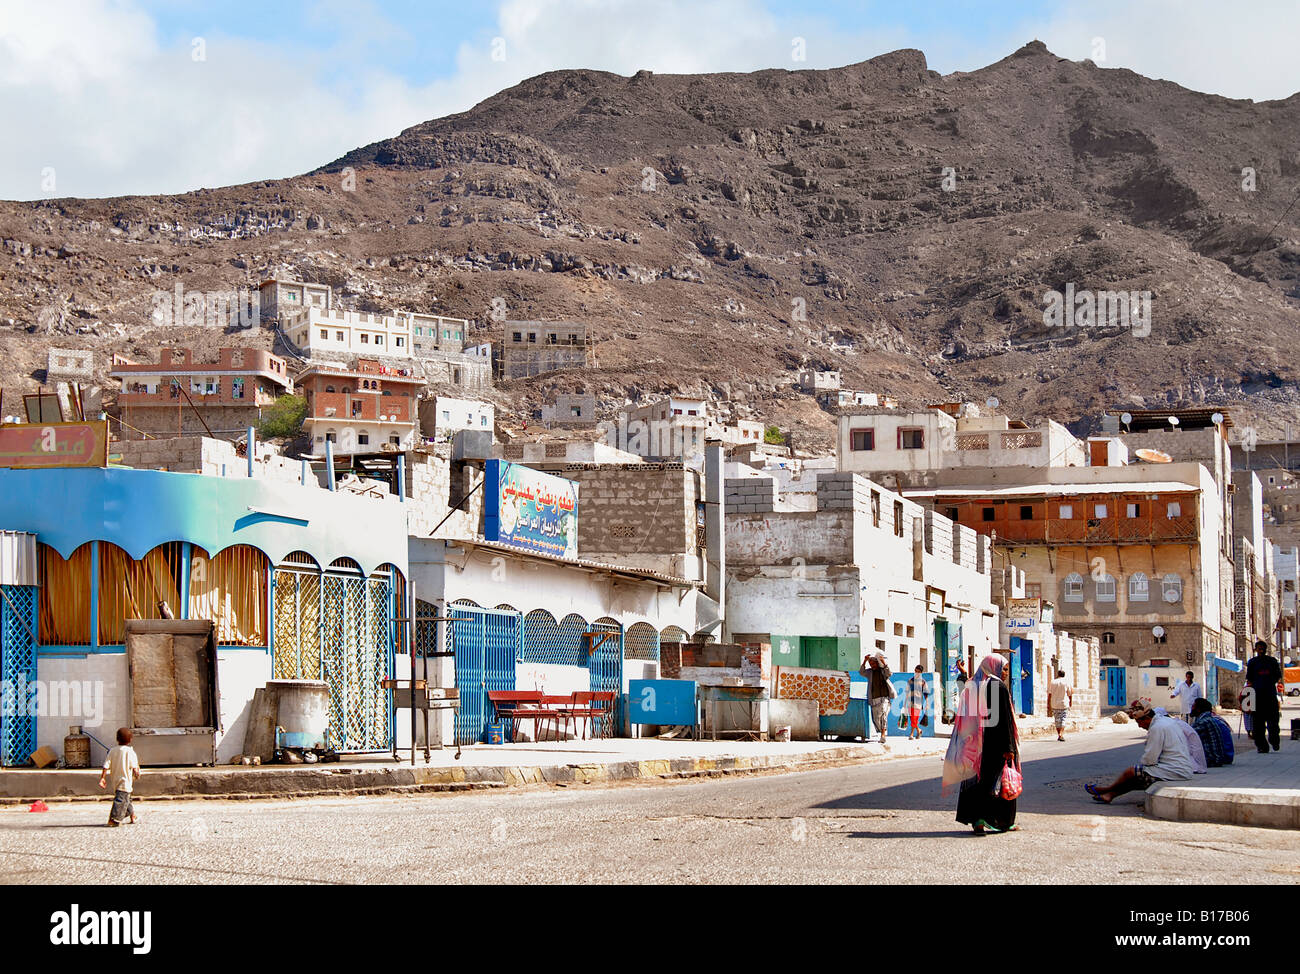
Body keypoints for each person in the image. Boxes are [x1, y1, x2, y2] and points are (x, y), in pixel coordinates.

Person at [944, 654, 1020, 834]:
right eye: (1004, 668)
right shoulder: (997, 687)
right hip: (994, 745)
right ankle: (1002, 821)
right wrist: (1009, 748)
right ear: (993, 667)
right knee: (997, 784)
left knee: (976, 782)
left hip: (973, 747)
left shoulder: (972, 686)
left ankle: (977, 821)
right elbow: (1004, 721)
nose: (1006, 673)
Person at [1086, 703, 1194, 802]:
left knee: (1131, 772)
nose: (1139, 726)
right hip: (1182, 768)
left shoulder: (1157, 728)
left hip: (1175, 770)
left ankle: (1108, 789)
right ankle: (1109, 794)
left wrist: (1144, 765)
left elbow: (1150, 758)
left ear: (1146, 718)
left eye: (1139, 722)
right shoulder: (1166, 721)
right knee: (1138, 776)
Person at [98, 727, 141, 827]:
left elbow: (106, 765)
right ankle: (114, 820)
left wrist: (102, 778)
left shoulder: (112, 751)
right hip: (125, 781)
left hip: (116, 780)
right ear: (130, 739)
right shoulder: (130, 751)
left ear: (117, 739)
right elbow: (135, 767)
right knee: (121, 800)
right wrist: (137, 773)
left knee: (127, 799)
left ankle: (132, 815)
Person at [1246, 640, 1283, 753]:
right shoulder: (1252, 662)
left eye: (1262, 648)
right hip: (1258, 697)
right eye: (1259, 648)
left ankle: (1274, 740)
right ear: (1256, 649)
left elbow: (1277, 677)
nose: (1260, 650)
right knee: (1258, 725)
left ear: (1265, 649)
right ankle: (1262, 746)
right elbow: (1249, 680)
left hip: (1269, 696)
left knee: (1273, 723)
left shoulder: (1272, 661)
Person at [860, 652, 895, 748]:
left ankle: (883, 735)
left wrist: (884, 663)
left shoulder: (883, 670)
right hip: (874, 699)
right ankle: (882, 732)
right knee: (876, 719)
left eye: (874, 663)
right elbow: (861, 672)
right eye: (871, 664)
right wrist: (864, 661)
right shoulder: (870, 672)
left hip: (884, 698)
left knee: (883, 716)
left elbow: (889, 673)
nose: (872, 665)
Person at [1190, 697, 1234, 767]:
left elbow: (1187, 736)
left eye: (1193, 706)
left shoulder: (1204, 722)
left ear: (1198, 709)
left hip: (1213, 759)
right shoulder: (1210, 719)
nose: (1191, 708)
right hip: (1220, 757)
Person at [906, 664, 931, 740]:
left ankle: (911, 734)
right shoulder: (910, 680)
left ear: (921, 672)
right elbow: (907, 692)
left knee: (914, 719)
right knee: (912, 719)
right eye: (916, 671)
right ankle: (918, 730)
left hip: (918, 703)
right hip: (910, 702)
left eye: (918, 672)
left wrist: (927, 702)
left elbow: (926, 693)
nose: (917, 673)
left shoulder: (923, 682)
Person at [1048, 669, 1073, 741]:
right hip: (1064, 703)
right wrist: (1070, 702)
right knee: (1063, 719)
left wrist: (1048, 704)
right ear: (1064, 675)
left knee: (1057, 719)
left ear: (1057, 674)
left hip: (1054, 703)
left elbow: (1049, 694)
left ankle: (1059, 734)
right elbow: (1070, 694)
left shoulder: (1053, 682)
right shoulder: (1067, 682)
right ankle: (1061, 734)